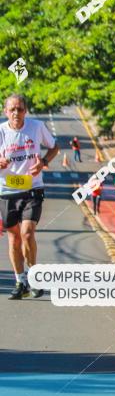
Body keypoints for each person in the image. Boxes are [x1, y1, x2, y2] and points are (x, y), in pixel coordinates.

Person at [0, 94, 60, 300]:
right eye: (12, 109)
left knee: (27, 232)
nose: (16, 113)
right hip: (7, 191)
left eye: (20, 109)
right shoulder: (0, 131)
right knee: (14, 238)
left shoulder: (36, 127)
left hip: (32, 188)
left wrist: (43, 162)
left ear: (26, 111)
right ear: (5, 111)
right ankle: (20, 281)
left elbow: (54, 147)